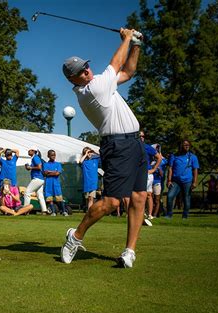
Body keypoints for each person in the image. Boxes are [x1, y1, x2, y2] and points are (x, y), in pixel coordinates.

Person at [60, 28, 147, 268]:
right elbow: (115, 63)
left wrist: (136, 44)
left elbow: (128, 71)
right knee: (112, 202)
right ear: (73, 79)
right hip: (117, 145)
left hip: (135, 143)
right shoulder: (92, 90)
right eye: (81, 71)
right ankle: (75, 236)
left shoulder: (101, 84)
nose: (86, 70)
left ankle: (129, 251)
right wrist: (127, 38)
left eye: (86, 66)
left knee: (139, 197)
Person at [166, 140, 200, 219]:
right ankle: (169, 215)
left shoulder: (193, 157)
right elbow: (170, 168)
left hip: (187, 181)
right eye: (185, 145)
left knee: (186, 198)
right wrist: (169, 180)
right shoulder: (174, 156)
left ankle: (185, 216)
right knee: (170, 196)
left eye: (188, 144)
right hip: (175, 181)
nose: (187, 146)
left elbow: (195, 170)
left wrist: (194, 182)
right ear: (180, 146)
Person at [139, 132, 162, 220]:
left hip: (147, 174)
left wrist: (154, 169)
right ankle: (141, 213)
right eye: (139, 136)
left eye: (143, 136)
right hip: (136, 174)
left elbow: (159, 158)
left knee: (148, 194)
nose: (141, 138)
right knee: (139, 194)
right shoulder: (132, 147)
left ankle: (149, 214)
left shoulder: (148, 147)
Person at [43, 150, 68, 216]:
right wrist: (53, 172)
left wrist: (49, 172)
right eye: (52, 155)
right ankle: (53, 212)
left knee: (60, 199)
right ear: (48, 156)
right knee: (50, 199)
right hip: (48, 184)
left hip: (56, 184)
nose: (53, 156)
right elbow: (45, 173)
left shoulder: (58, 164)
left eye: (54, 155)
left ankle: (64, 211)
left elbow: (57, 173)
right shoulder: (45, 164)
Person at [23, 149, 48, 215]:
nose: (28, 151)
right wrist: (29, 167)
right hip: (41, 179)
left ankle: (25, 210)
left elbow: (39, 167)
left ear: (33, 151)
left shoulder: (35, 157)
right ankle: (44, 211)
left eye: (30, 150)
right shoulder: (35, 157)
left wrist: (30, 167)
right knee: (40, 195)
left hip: (37, 178)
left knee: (27, 193)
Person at [152, 144, 167, 218]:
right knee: (149, 198)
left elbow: (162, 174)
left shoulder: (163, 160)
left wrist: (159, 169)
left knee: (157, 200)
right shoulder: (149, 159)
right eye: (155, 149)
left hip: (158, 181)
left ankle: (155, 215)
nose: (157, 150)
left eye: (158, 149)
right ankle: (150, 214)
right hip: (149, 181)